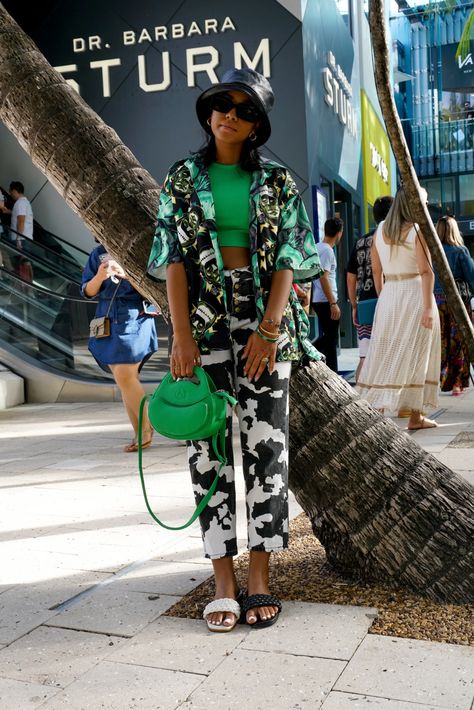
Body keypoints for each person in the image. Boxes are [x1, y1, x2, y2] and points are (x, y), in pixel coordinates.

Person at [147, 68, 323, 632]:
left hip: (266, 320)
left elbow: (290, 258)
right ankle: (222, 580)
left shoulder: (277, 180)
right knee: (209, 451)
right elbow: (172, 261)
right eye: (223, 103)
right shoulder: (181, 177)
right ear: (208, 112)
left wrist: (269, 329)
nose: (231, 114)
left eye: (246, 110)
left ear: (257, 126)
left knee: (267, 450)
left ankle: (261, 579)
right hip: (201, 320)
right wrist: (181, 335)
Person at [356, 187, 441, 430]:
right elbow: (426, 272)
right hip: (415, 293)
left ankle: (377, 413)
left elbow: (375, 270)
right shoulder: (417, 231)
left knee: (385, 351)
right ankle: (415, 416)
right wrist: (426, 308)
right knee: (418, 352)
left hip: (390, 294)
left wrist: (386, 299)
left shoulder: (380, 230)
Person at [82, 243, 158, 452]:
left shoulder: (140, 248)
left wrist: (126, 274)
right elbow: (87, 290)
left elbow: (155, 285)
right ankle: (139, 431)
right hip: (106, 317)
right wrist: (100, 276)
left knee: (125, 375)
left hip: (135, 316)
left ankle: (150, 427)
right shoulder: (97, 253)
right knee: (124, 378)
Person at [347, 196, 394, 382]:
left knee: (364, 357)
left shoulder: (361, 242)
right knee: (389, 355)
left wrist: (354, 305)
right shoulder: (391, 239)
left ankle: (361, 399)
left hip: (365, 303)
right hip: (390, 300)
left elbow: (350, 278)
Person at [434, 216, 474, 395]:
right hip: (457, 301)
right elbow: (471, 276)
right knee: (460, 341)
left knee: (443, 342)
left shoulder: (432, 252)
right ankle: (458, 382)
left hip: (437, 302)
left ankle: (443, 379)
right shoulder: (460, 251)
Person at [310, 217, 344, 372]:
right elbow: (324, 277)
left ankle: (327, 368)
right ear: (339, 233)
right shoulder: (327, 250)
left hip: (319, 299)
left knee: (330, 337)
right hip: (325, 300)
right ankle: (308, 353)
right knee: (331, 339)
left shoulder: (317, 247)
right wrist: (333, 303)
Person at [0, 182, 34, 249]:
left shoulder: (20, 203)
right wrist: (8, 211)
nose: (10, 194)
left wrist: (18, 238)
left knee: (23, 258)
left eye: (10, 191)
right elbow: (19, 215)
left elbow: (21, 221)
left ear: (15, 191)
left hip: (21, 239)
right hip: (25, 238)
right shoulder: (24, 202)